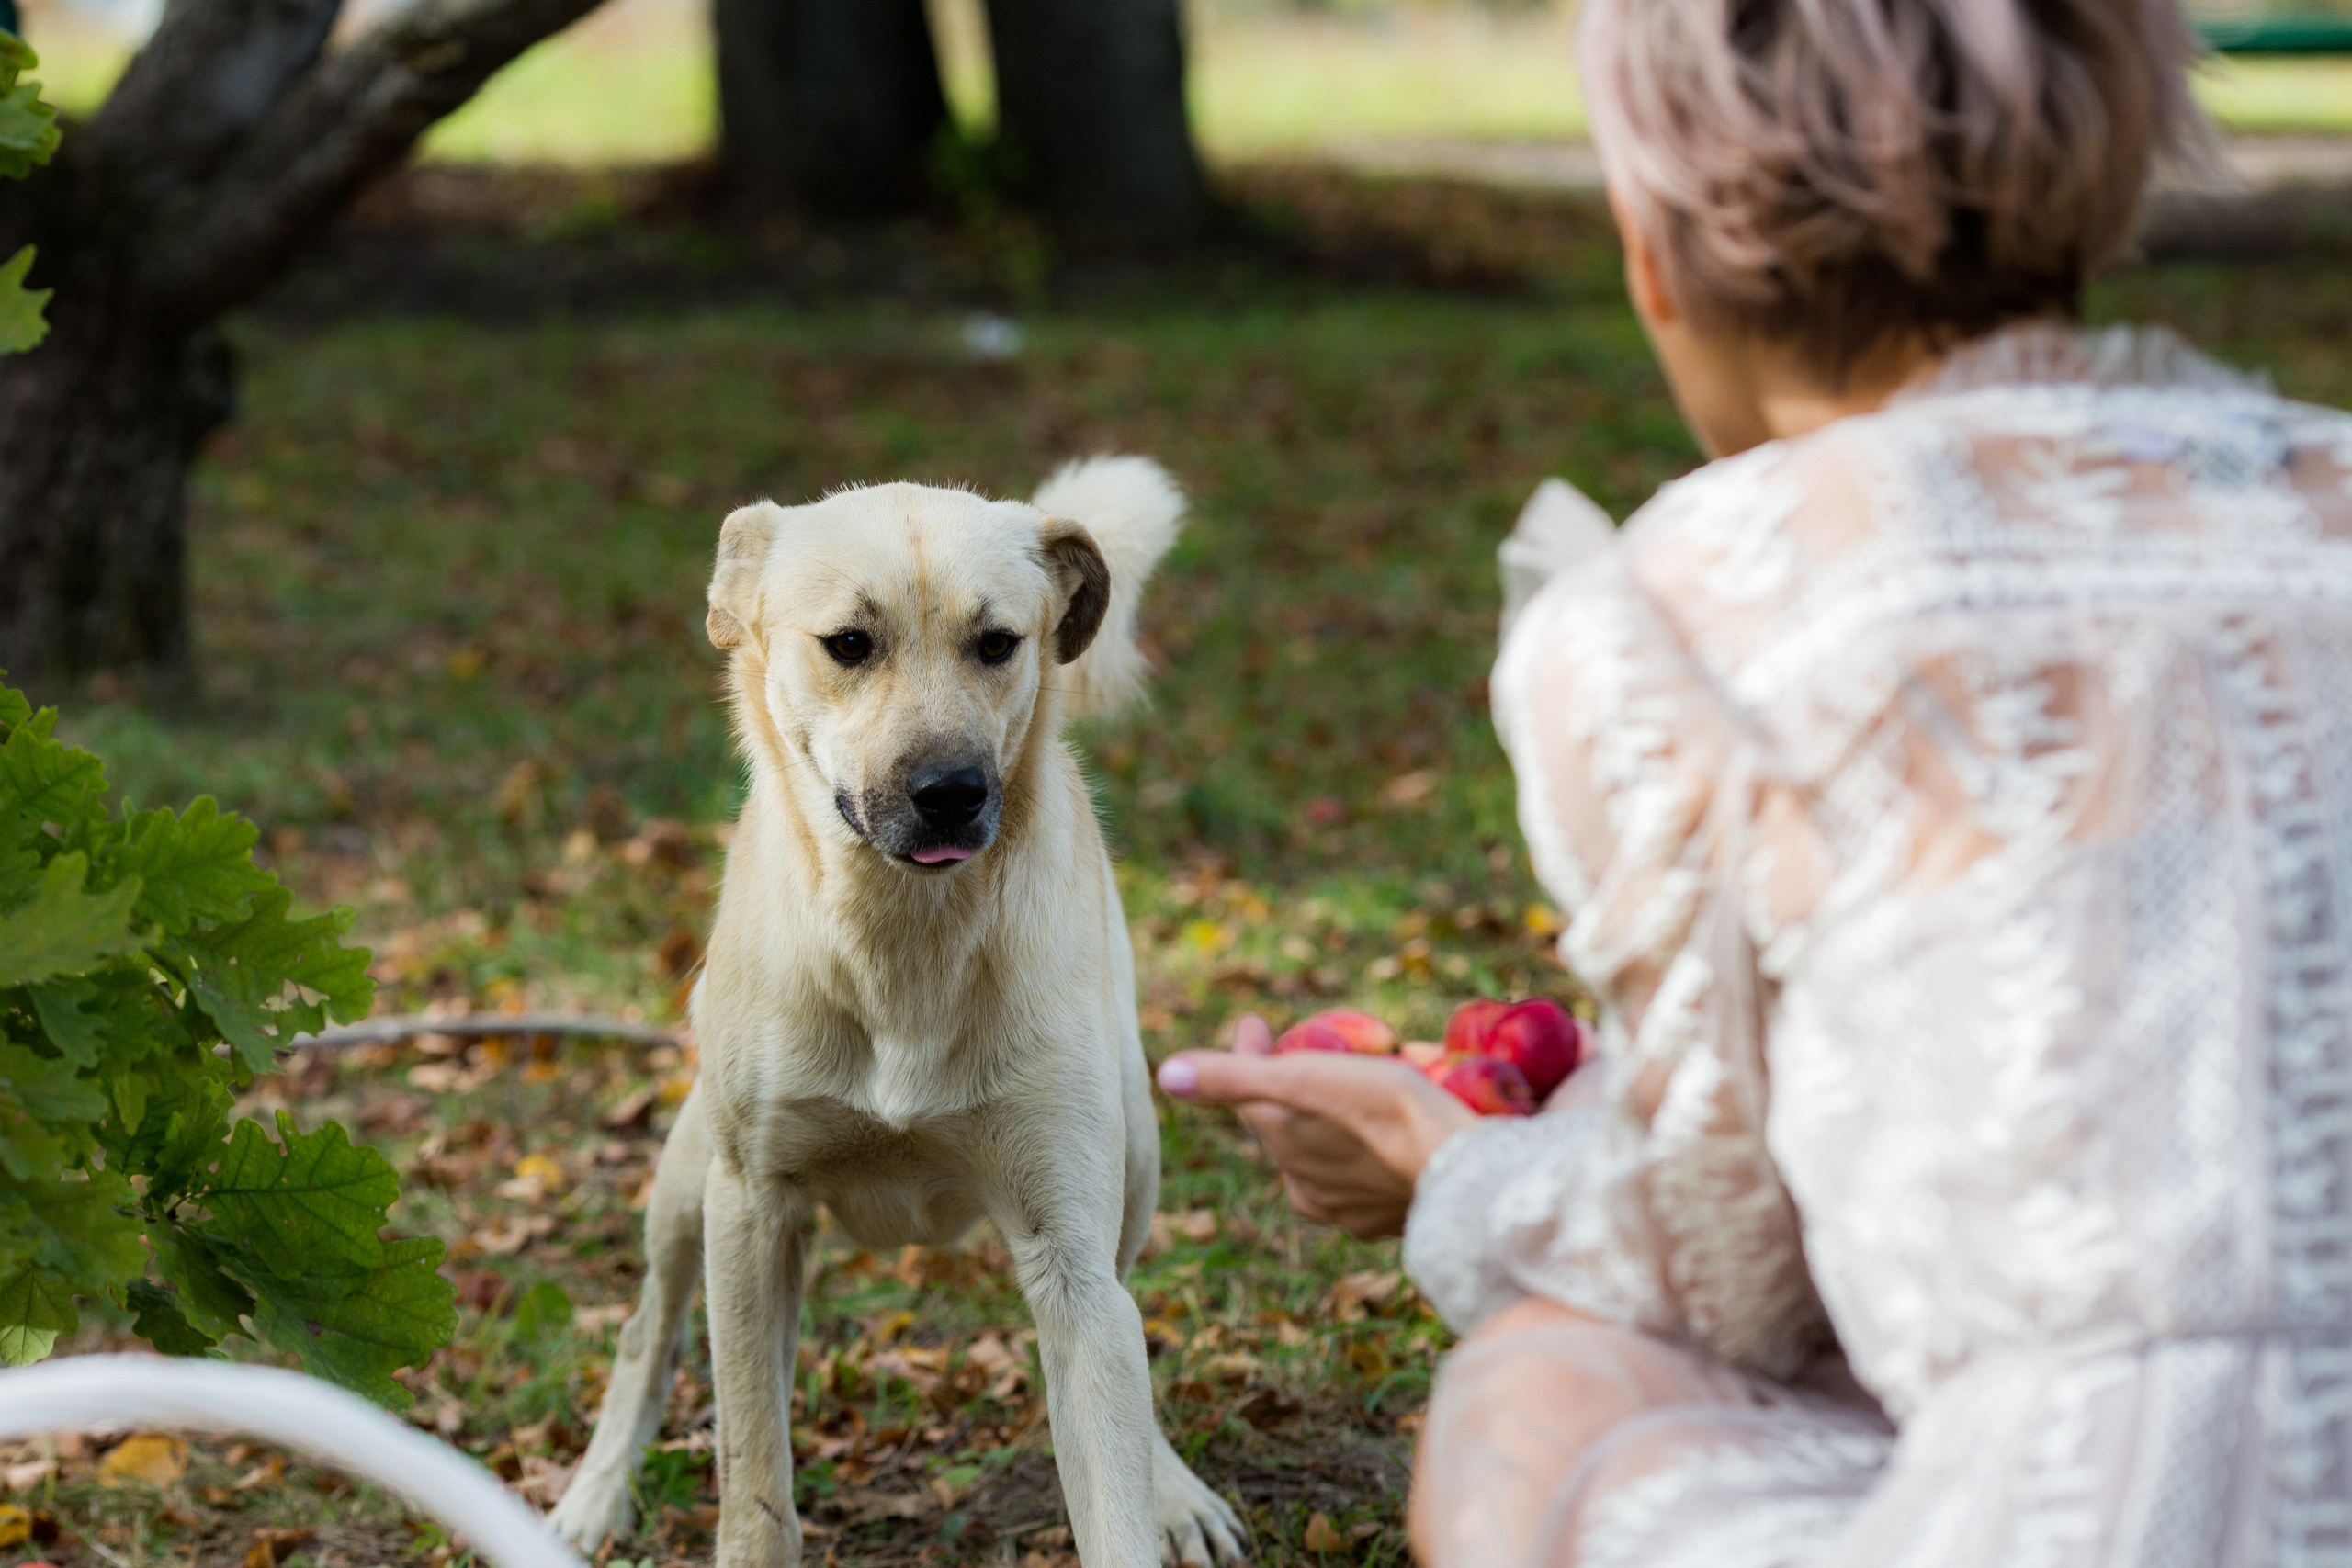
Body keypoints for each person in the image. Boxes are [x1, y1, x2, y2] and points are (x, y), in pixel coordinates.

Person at [1156, 0, 2352, 1562]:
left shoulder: (1686, 608)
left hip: (2102, 1512)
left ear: (1656, 254)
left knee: (1534, 1392)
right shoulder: (2327, 488)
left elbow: (1725, 1270)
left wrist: (1446, 1166)